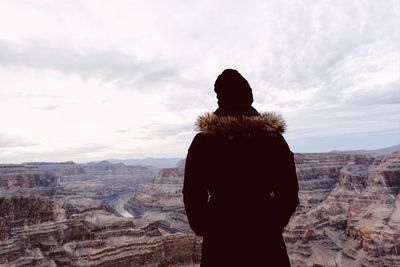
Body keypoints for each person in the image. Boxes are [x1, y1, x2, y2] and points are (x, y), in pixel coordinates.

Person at [183, 69, 299, 267]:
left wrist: (208, 228)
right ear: (249, 98)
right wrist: (272, 222)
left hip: (220, 238)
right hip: (266, 238)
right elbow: (289, 191)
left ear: (220, 99)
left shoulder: (204, 141)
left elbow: (193, 194)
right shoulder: (273, 139)